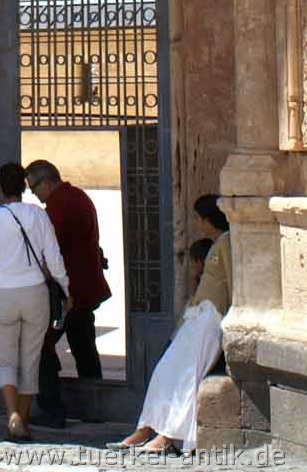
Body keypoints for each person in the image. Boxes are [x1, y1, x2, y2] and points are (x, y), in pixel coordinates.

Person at [109, 194, 232, 454]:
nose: (198, 223)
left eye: (200, 218)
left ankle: (169, 435)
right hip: (198, 316)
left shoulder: (227, 242)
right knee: (166, 369)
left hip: (212, 317)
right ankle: (146, 428)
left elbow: (233, 282)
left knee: (188, 374)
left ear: (208, 219)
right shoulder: (218, 244)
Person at [0, 161, 69, 442]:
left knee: (5, 360)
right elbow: (53, 257)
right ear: (24, 187)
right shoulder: (38, 215)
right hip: (34, 294)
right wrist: (65, 287)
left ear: (1, 188)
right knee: (31, 360)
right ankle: (24, 420)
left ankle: (13, 416)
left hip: (1, 294)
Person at [26, 158, 111, 427]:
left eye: (33, 187)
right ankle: (93, 408)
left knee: (42, 345)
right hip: (84, 288)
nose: (33, 193)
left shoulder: (61, 205)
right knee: (84, 348)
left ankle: (52, 409)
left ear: (46, 182)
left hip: (69, 293)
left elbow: (51, 250)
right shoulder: (78, 197)